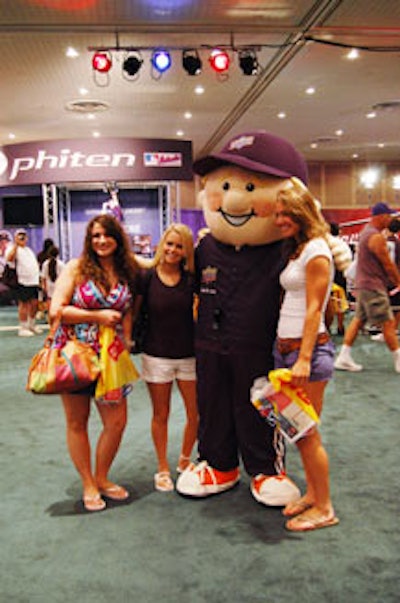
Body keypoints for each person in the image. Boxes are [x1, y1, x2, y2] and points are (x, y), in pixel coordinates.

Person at [49, 214, 141, 512]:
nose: (101, 241)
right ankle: (88, 482)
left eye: (107, 235)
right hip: (77, 355)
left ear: (117, 237)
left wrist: (126, 337)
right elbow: (56, 310)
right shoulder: (76, 268)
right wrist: (96, 316)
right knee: (77, 422)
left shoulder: (126, 270)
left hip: (112, 358)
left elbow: (126, 307)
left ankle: (102, 477)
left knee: (116, 423)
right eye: (95, 236)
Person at [273, 178, 339, 532]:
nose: (279, 219)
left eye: (286, 213)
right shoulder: (300, 247)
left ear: (301, 212)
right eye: (278, 213)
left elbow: (315, 309)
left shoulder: (317, 250)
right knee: (296, 430)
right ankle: (313, 494)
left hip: (306, 355)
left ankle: (325, 506)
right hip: (285, 350)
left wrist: (302, 358)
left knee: (307, 432)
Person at [138, 223, 198, 492]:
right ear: (162, 244)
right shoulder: (146, 276)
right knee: (160, 414)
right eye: (170, 244)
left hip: (189, 355)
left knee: (196, 414)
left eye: (179, 246)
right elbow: (134, 311)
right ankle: (162, 468)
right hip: (156, 355)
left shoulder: (191, 279)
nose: (173, 250)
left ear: (186, 251)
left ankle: (185, 460)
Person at [334, 202, 400, 373]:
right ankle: (399, 359)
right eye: (389, 216)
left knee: (358, 320)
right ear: (380, 216)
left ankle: (343, 357)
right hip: (373, 286)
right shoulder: (375, 237)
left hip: (365, 284)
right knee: (388, 322)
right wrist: (399, 283)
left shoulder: (365, 233)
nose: (391, 220)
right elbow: (388, 265)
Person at [5, 228, 42, 336]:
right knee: (24, 304)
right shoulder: (12, 249)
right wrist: (16, 245)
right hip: (23, 281)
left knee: (34, 303)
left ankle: (31, 324)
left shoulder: (28, 250)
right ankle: (23, 327)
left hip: (33, 281)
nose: (23, 238)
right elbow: (10, 259)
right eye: (20, 236)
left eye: (24, 236)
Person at [41, 245, 65, 318]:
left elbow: (43, 278)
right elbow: (63, 278)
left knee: (49, 303)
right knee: (58, 303)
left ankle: (50, 317)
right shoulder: (61, 264)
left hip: (49, 287)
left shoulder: (45, 264)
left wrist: (44, 287)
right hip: (58, 287)